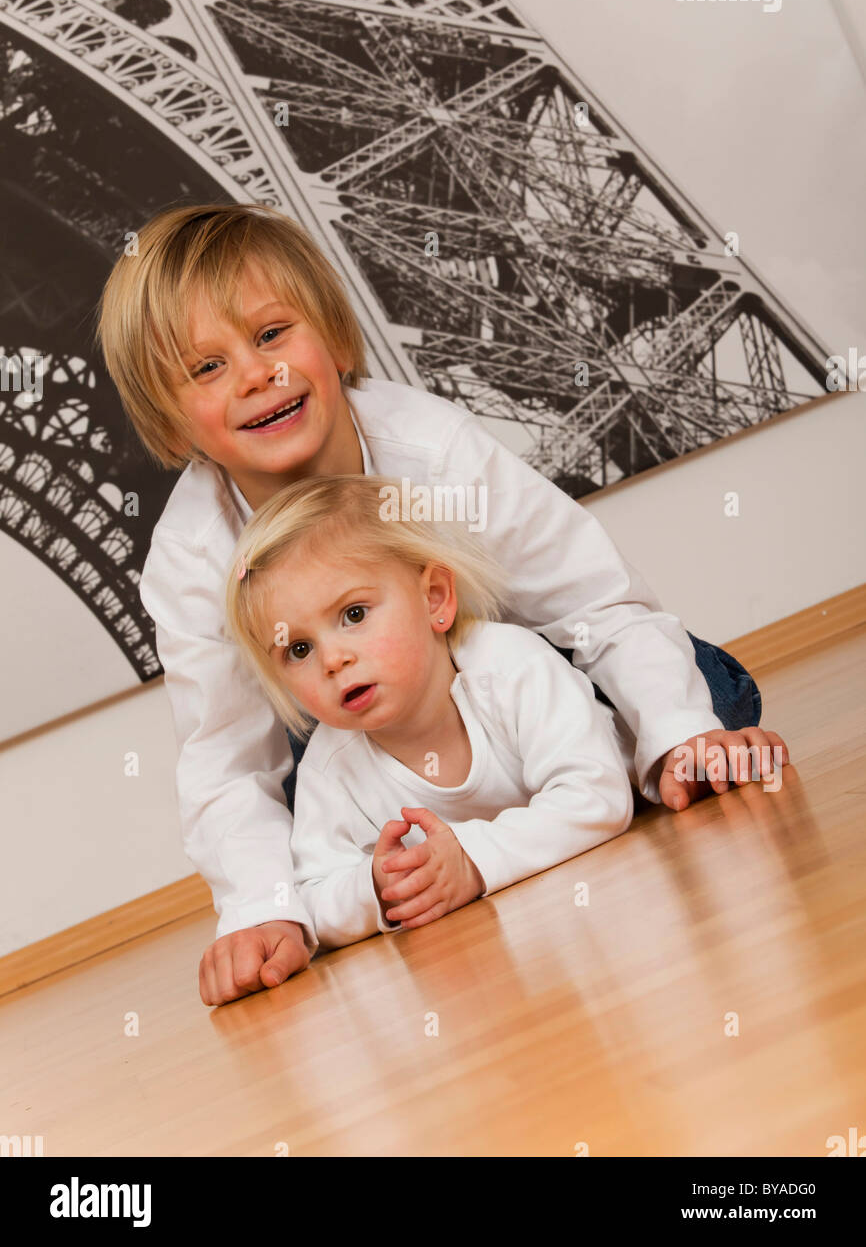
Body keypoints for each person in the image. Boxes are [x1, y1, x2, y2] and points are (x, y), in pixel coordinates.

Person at [96, 203, 788, 1004]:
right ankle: (518, 824)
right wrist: (264, 910)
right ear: (167, 413)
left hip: (518, 687)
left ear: (334, 335)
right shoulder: (189, 557)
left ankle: (578, 779)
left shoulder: (434, 448)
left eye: (273, 334)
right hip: (363, 749)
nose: (256, 376)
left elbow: (596, 602)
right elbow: (227, 760)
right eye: (205, 368)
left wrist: (675, 732)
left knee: (703, 688)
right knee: (296, 816)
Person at [225, 474, 635, 951]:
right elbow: (312, 898)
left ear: (434, 599)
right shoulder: (329, 767)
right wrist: (375, 887)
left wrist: (471, 859)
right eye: (298, 649)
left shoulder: (511, 668)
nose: (332, 660)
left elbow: (598, 796)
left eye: (353, 615)